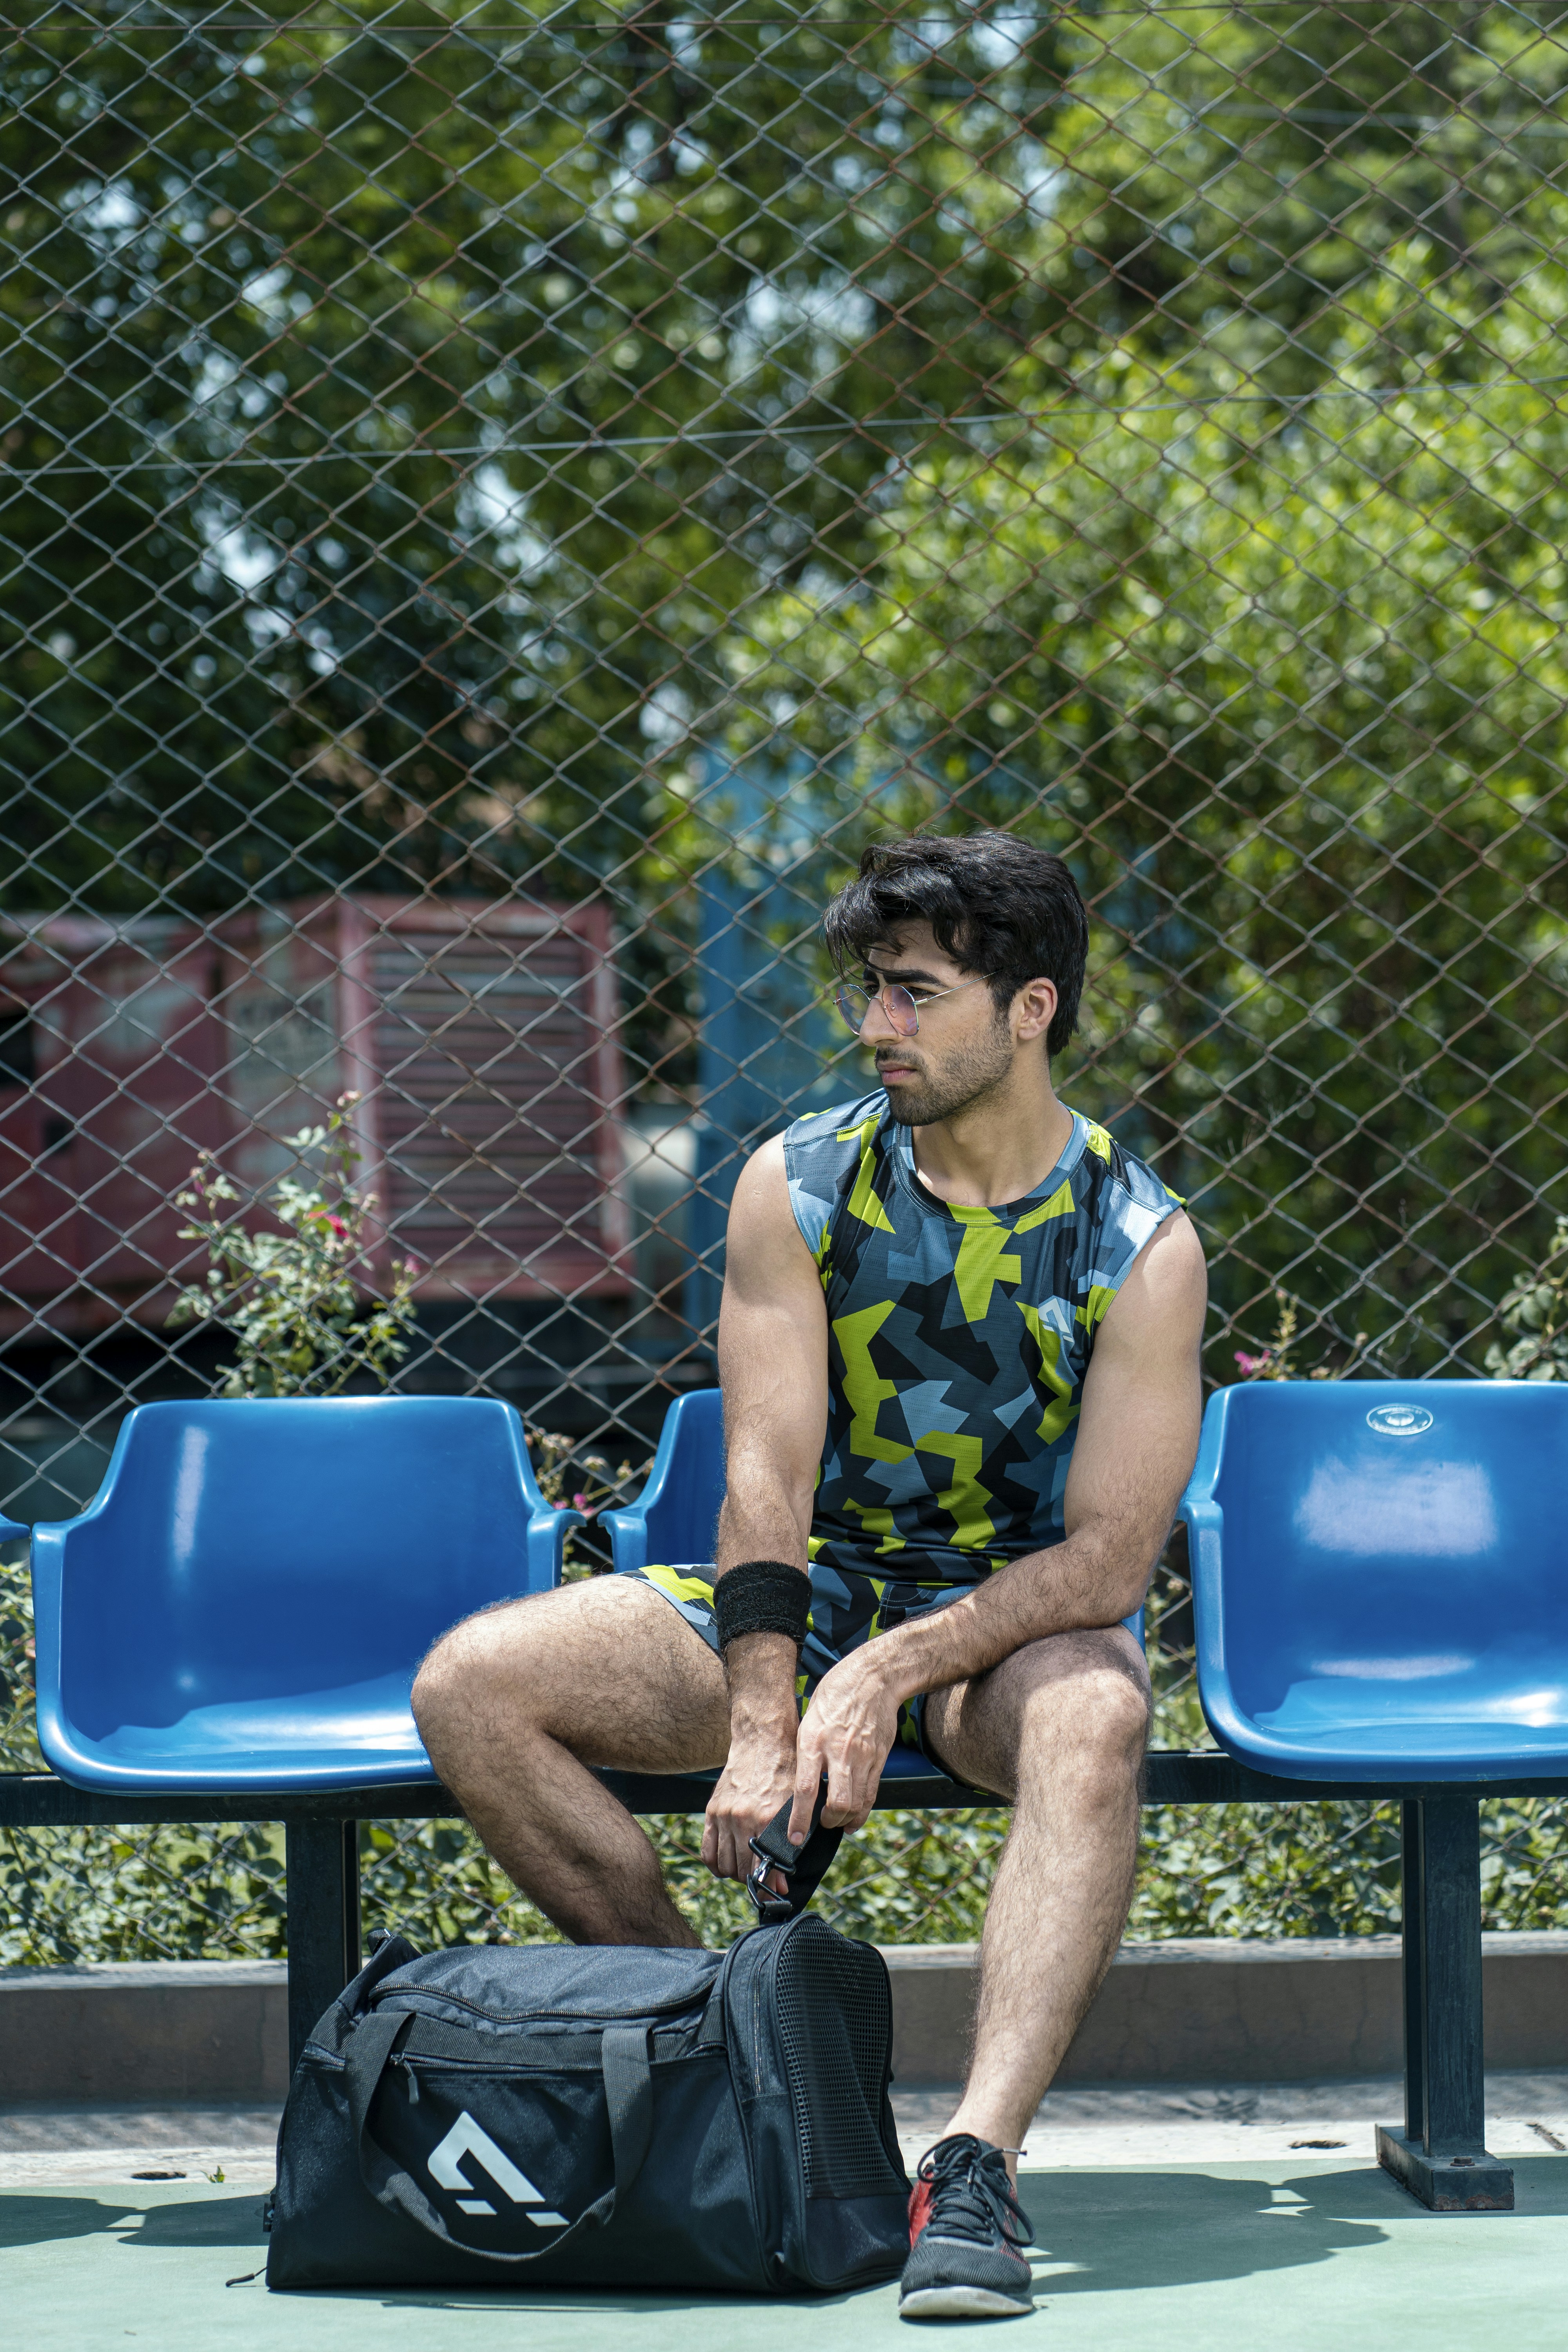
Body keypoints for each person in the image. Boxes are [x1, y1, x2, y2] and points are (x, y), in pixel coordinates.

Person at [412, 830, 1207, 2321]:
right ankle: (731, 2062)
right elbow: (766, 1478)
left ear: (1030, 1009)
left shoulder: (1141, 1241)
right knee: (474, 1685)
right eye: (871, 991)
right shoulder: (801, 1182)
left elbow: (1106, 1559)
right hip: (804, 1598)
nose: (874, 1026)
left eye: (914, 995)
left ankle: (971, 2166)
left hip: (1000, 1635)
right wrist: (770, 1716)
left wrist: (893, 1670)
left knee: (1099, 1714)